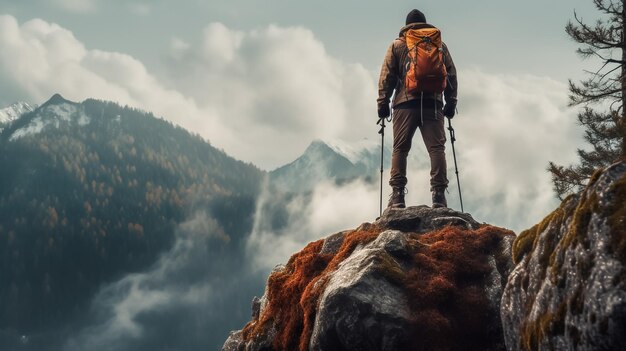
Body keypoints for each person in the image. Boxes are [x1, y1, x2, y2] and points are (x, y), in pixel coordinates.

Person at [377, 8, 458, 209]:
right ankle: (439, 196)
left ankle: (397, 196)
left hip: (405, 104)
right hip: (433, 104)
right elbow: (451, 75)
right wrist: (451, 103)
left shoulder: (397, 45)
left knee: (400, 149)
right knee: (437, 149)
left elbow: (386, 76)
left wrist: (382, 103)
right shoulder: (439, 45)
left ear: (406, 26)